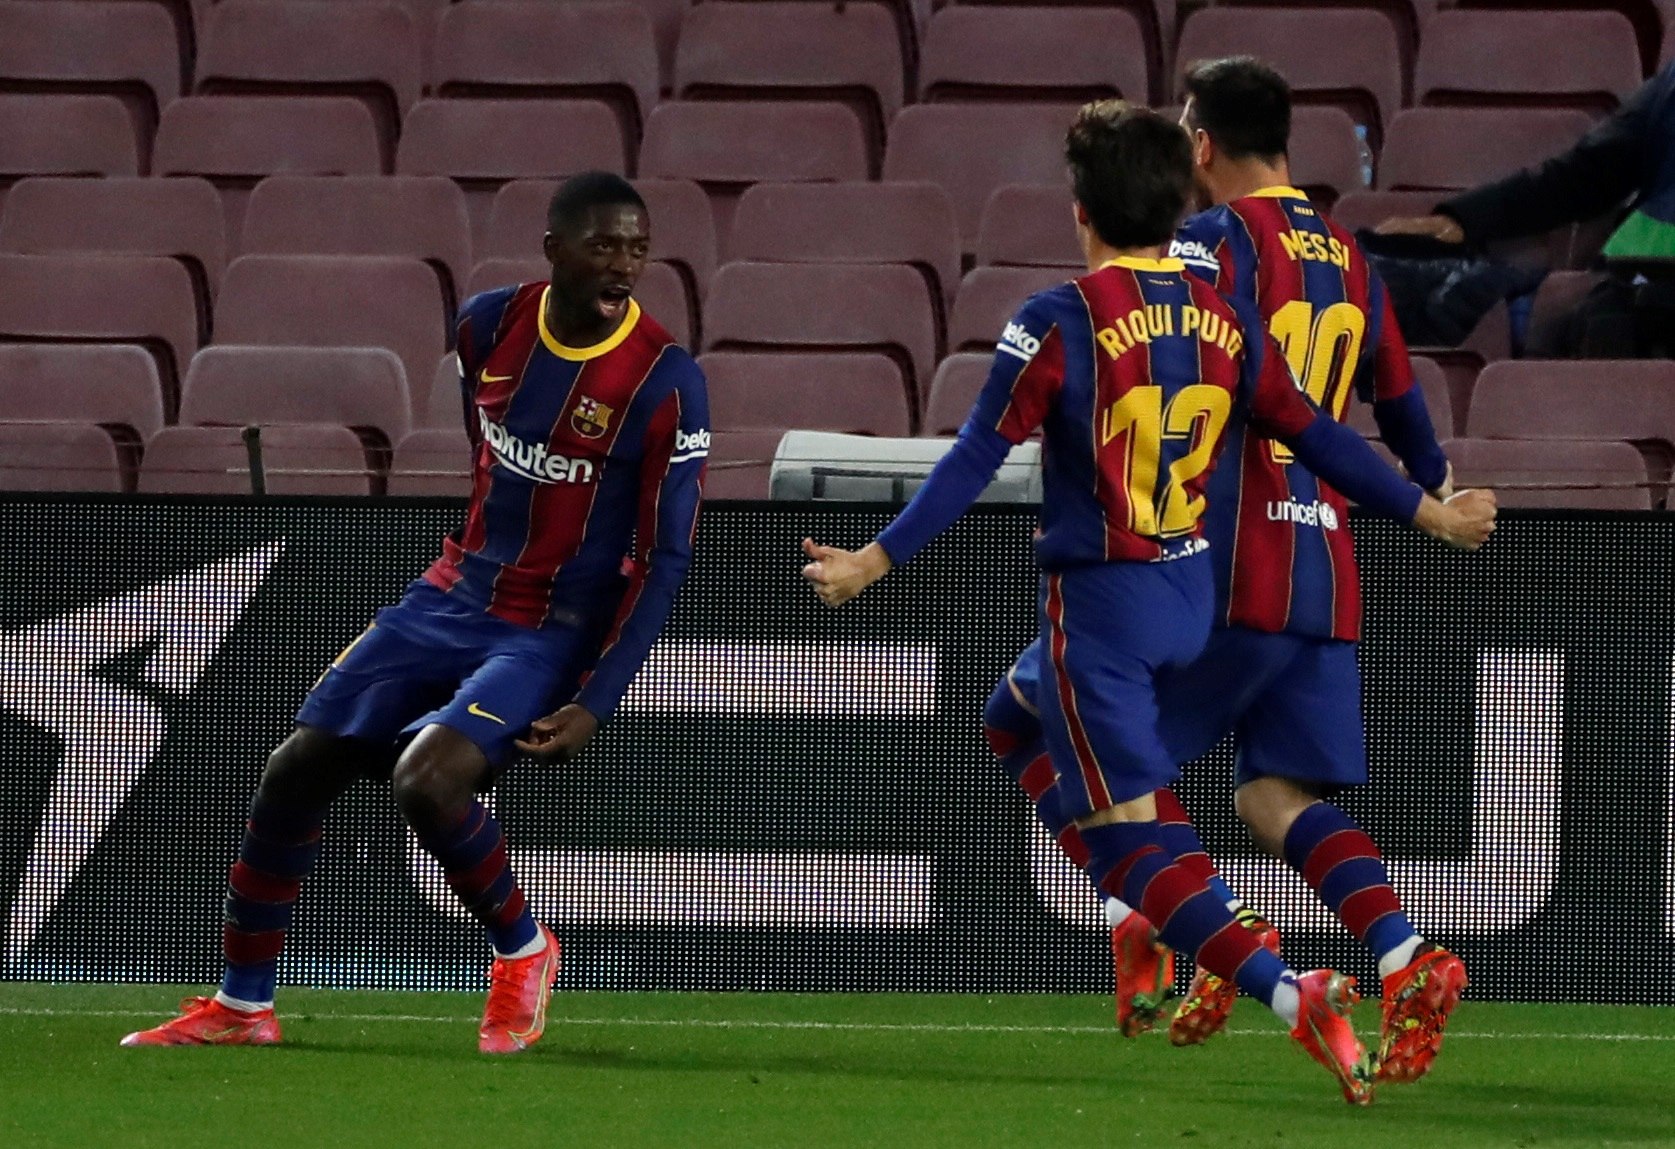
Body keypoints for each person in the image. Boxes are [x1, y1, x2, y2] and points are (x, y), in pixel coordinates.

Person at [803, 103, 1495, 1105]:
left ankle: (1261, 971)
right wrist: (1425, 511)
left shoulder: (1059, 319)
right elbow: (1322, 431)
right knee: (1019, 721)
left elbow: (971, 461)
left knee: (1130, 839)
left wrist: (876, 558)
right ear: (1178, 205)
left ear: (1079, 211)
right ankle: (1244, 926)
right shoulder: (1225, 319)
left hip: (1109, 606)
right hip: (1192, 584)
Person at [120, 171, 710, 1055]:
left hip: (550, 625)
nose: (624, 263)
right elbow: (491, 459)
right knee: (293, 770)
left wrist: (597, 697)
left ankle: (524, 950)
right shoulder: (486, 324)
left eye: (637, 244)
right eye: (603, 245)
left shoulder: (665, 382)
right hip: (450, 592)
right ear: (554, 251)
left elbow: (665, 558)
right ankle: (243, 1006)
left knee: (426, 780)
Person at [987, 58, 1472, 1085]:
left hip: (1215, 561)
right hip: (1325, 564)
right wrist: (1436, 493)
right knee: (1273, 794)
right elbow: (1403, 403)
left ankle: (1193, 929)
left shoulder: (1209, 243)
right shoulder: (1349, 256)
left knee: (1030, 722)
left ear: (1199, 145)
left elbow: (1169, 360)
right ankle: (1402, 953)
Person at [1378, 60, 1675, 357]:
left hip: (1634, 309)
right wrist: (1462, 220)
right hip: (1623, 292)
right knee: (1400, 281)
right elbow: (1587, 175)